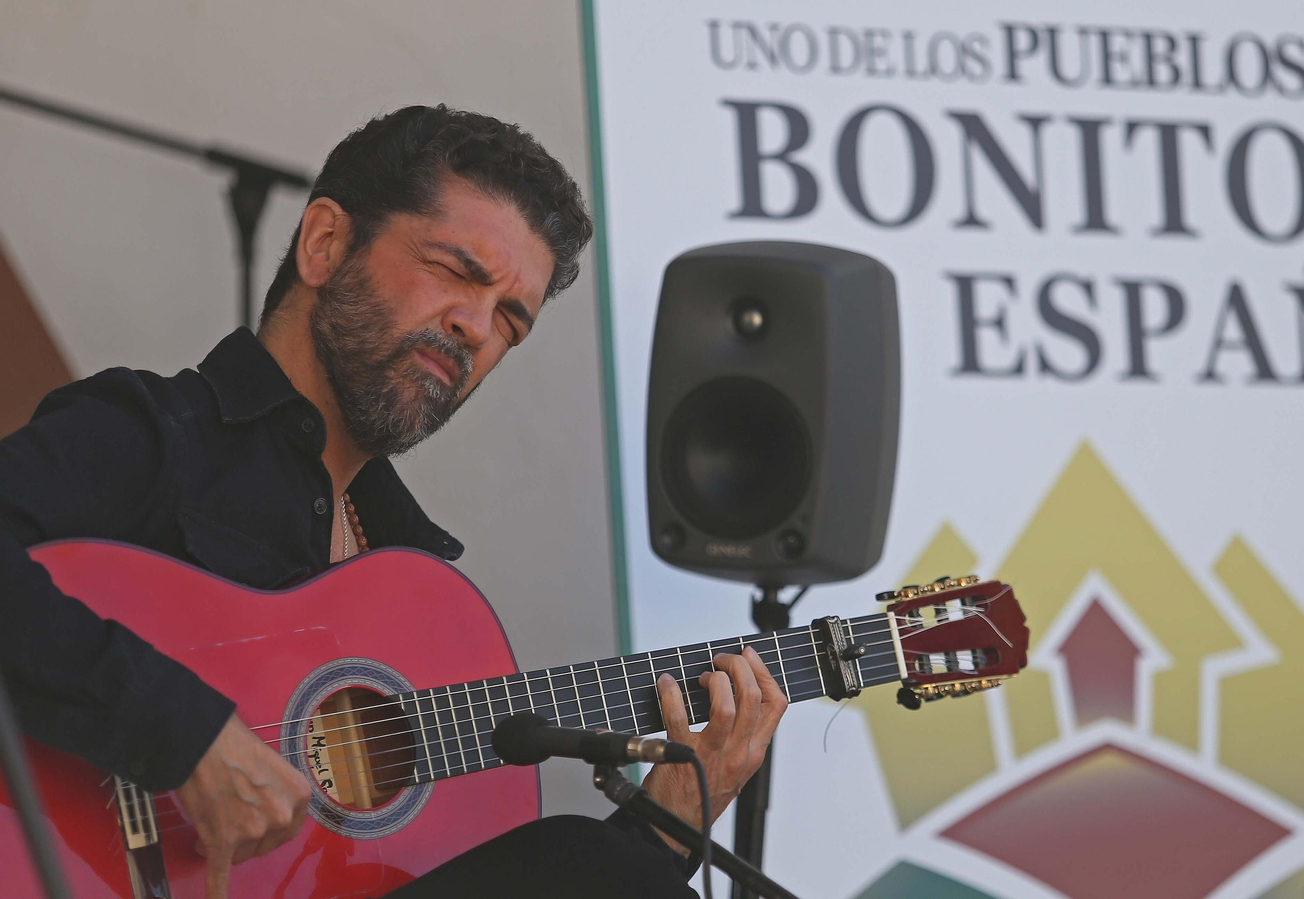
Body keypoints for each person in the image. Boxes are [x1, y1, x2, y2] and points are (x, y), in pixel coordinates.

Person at [0, 104, 787, 897]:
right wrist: (183, 733)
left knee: (602, 865)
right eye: (457, 271)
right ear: (325, 244)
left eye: (511, 320)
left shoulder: (416, 586)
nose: (476, 328)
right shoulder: (152, 435)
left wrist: (663, 825)